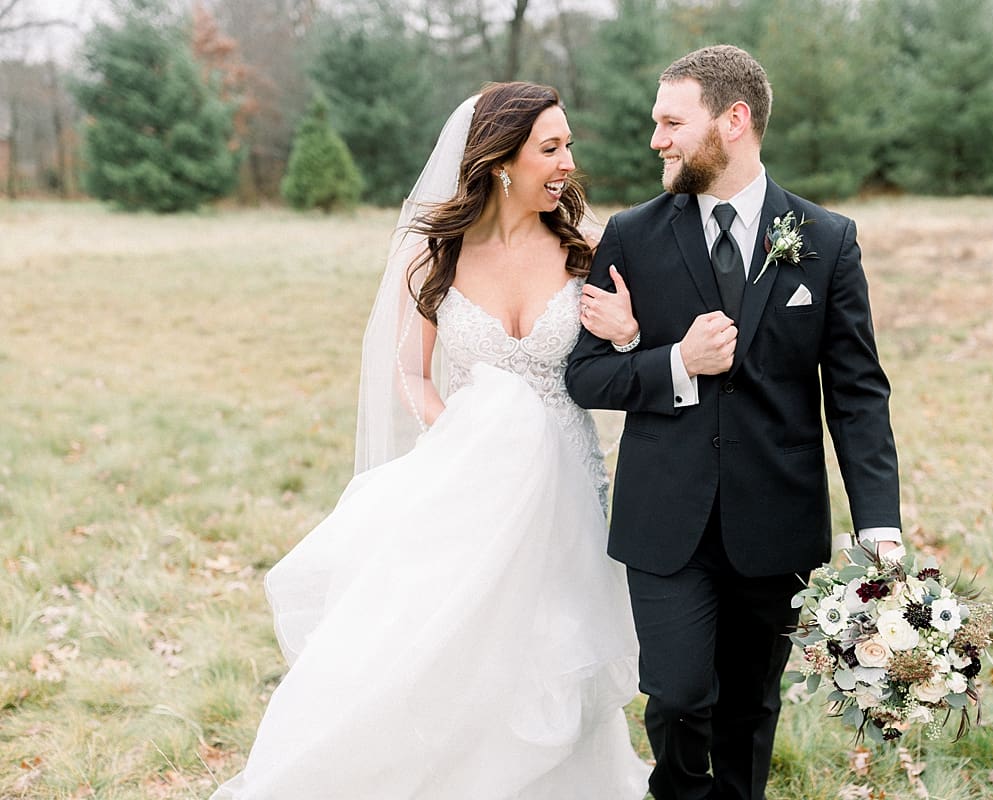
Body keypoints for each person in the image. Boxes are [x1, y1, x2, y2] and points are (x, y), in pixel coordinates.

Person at [211, 82, 650, 799]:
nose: (570, 160)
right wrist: (465, 444)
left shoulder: (590, 248)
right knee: (462, 644)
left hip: (570, 483)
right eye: (552, 147)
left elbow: (619, 367)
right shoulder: (435, 254)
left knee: (557, 648)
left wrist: (629, 333)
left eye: (568, 143)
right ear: (502, 160)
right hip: (473, 480)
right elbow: (411, 376)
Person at [565, 45, 903, 800]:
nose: (656, 139)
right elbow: (584, 374)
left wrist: (879, 524)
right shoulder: (632, 235)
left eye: (671, 122)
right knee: (681, 695)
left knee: (751, 708)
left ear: (734, 120)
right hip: (665, 520)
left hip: (776, 521)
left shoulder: (827, 240)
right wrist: (675, 362)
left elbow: (855, 394)